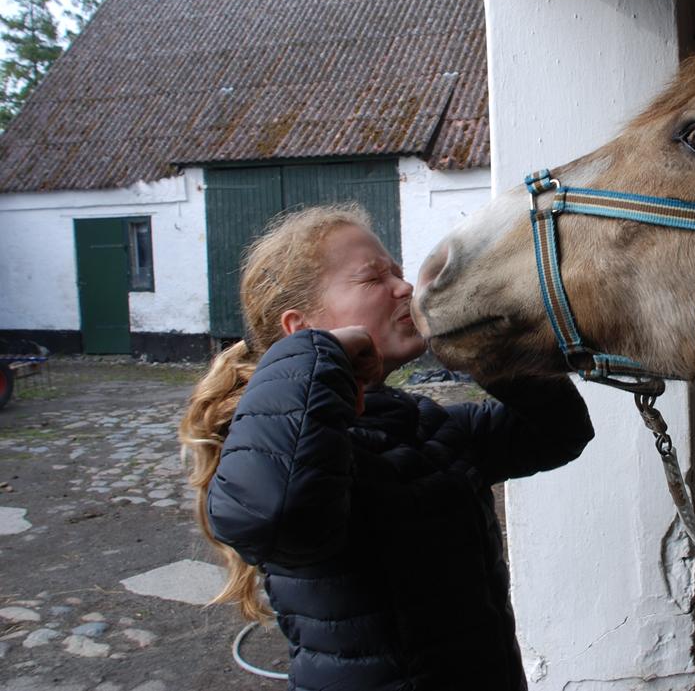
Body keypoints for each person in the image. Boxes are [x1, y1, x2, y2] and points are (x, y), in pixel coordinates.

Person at [178, 204, 594, 691]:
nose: (404, 288)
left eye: (398, 272)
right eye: (374, 278)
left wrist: (483, 345)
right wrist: (319, 355)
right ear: (301, 328)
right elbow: (275, 512)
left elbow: (558, 431)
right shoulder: (274, 450)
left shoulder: (424, 424)